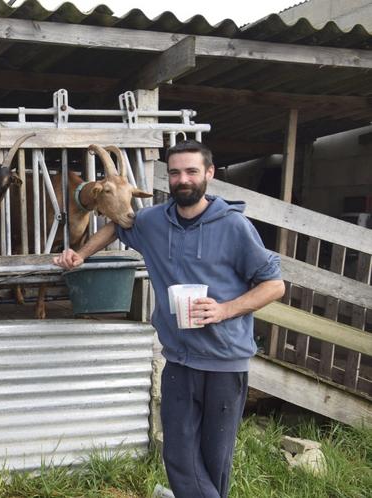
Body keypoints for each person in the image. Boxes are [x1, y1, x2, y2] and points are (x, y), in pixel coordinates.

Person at [54, 140, 284, 498]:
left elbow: (274, 285)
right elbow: (116, 225)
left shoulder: (234, 226)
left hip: (226, 363)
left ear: (209, 174)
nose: (183, 179)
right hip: (178, 360)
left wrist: (225, 309)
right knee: (178, 456)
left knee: (214, 461)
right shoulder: (153, 221)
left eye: (192, 171)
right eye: (175, 172)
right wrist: (81, 255)